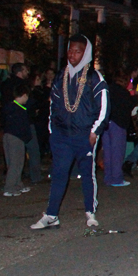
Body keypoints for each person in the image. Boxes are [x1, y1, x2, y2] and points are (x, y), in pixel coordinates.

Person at [31, 34, 110, 230]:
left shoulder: (94, 77)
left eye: (78, 51)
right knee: (59, 173)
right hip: (61, 135)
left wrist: (95, 131)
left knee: (87, 173)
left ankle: (90, 212)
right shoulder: (61, 76)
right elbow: (54, 105)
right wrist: (52, 130)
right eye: (70, 50)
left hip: (84, 134)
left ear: (86, 53)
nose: (73, 55)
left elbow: (104, 106)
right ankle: (51, 214)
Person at [103, 71, 136, 187]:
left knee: (108, 151)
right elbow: (130, 106)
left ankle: (108, 177)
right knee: (117, 152)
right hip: (118, 123)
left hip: (106, 123)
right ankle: (116, 178)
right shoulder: (123, 93)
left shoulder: (107, 89)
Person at [2, 84, 34, 197]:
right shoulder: (18, 109)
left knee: (15, 162)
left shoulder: (10, 107)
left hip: (10, 136)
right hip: (16, 138)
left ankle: (17, 184)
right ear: (24, 95)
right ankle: (9, 187)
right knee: (16, 163)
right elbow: (21, 126)